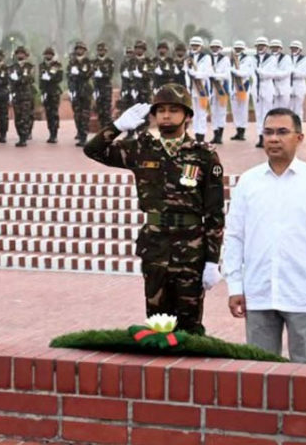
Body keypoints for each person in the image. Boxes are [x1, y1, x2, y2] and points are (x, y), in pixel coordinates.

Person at [84, 85, 224, 334]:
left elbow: (214, 212)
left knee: (189, 326)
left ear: (187, 116)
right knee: (158, 323)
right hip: (155, 246)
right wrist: (117, 126)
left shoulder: (203, 155)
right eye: (161, 111)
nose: (166, 115)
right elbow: (93, 150)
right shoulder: (141, 149)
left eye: (173, 110)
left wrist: (212, 260)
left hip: (190, 249)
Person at [224, 108, 306, 364]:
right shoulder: (248, 182)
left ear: (299, 138)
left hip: (305, 296)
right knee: (260, 374)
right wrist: (235, 286)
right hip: (259, 293)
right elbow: (234, 236)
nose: (273, 139)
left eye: (282, 132)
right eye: (268, 132)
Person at [184, 37, 213, 143]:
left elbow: (207, 73)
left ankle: (201, 136)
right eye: (193, 45)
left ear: (201, 47)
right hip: (192, 90)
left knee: (202, 114)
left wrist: (195, 74)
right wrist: (188, 86)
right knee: (195, 114)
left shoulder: (206, 58)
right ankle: (196, 135)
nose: (194, 47)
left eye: (197, 45)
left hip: (202, 89)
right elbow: (186, 72)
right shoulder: (188, 58)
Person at [251, 37, 276, 148]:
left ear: (266, 47)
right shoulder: (252, 59)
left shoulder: (272, 59)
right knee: (258, 114)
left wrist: (260, 72)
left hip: (267, 86)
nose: (260, 47)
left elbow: (271, 74)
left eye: (262, 45)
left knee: (267, 113)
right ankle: (260, 137)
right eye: (259, 45)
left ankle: (268, 136)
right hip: (256, 87)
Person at [68, 41, 94, 145]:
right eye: (78, 48)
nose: (79, 50)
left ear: (84, 50)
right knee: (77, 114)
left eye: (81, 49)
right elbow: (69, 76)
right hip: (75, 91)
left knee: (85, 114)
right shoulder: (72, 62)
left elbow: (87, 74)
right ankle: (80, 133)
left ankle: (84, 136)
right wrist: (70, 90)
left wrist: (78, 72)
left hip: (85, 91)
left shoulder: (88, 62)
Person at [9, 46, 35, 147]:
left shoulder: (29, 67)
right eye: (18, 53)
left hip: (26, 95)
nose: (20, 55)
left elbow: (29, 79)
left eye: (22, 53)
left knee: (25, 116)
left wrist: (18, 79)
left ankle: (24, 137)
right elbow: (10, 80)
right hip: (16, 95)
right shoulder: (12, 67)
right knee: (18, 117)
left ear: (25, 55)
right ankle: (20, 135)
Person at [228, 41, 254, 141]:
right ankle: (237, 130)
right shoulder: (230, 60)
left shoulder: (247, 59)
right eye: (236, 48)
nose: (238, 49)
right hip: (233, 87)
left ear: (243, 49)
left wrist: (232, 70)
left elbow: (244, 73)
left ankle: (242, 131)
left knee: (243, 109)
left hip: (243, 86)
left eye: (240, 48)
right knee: (235, 110)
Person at [206, 40, 231, 144]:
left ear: (220, 48)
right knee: (213, 112)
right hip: (211, 88)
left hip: (222, 88)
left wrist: (215, 76)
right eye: (213, 47)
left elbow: (226, 75)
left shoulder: (225, 59)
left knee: (222, 112)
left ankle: (220, 135)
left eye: (217, 47)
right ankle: (215, 134)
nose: (215, 49)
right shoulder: (207, 59)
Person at [39, 47, 63, 144]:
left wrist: (50, 77)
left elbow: (60, 78)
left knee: (54, 113)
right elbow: (40, 79)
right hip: (46, 91)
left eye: (49, 54)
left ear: (52, 55)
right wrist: (42, 92)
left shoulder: (57, 65)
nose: (48, 56)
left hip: (54, 92)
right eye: (46, 54)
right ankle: (50, 133)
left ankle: (54, 134)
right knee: (48, 114)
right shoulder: (42, 65)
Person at [93, 42, 114, 132]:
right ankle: (102, 129)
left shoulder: (109, 61)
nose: (101, 52)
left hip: (106, 89)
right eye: (99, 50)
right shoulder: (94, 62)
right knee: (100, 110)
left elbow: (110, 74)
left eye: (103, 50)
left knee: (107, 110)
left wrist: (102, 75)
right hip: (97, 88)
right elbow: (90, 74)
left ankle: (108, 129)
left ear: (106, 51)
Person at [286, 41, 306, 121]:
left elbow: (305, 74)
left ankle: (298, 125)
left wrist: (293, 72)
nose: (294, 50)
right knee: (289, 108)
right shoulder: (287, 58)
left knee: (298, 108)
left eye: (296, 48)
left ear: (300, 49)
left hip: (299, 85)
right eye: (292, 48)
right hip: (289, 85)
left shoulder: (304, 59)